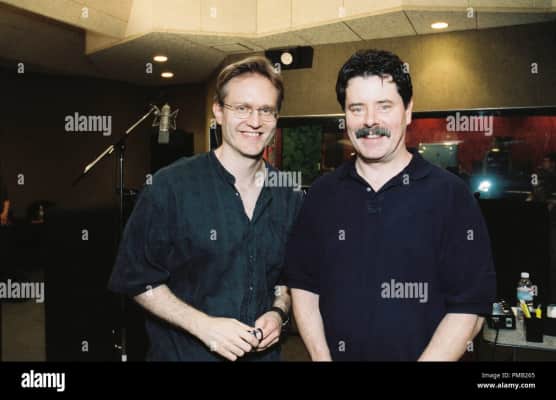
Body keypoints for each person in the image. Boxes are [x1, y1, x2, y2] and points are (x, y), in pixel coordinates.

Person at [284, 49, 496, 361]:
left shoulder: (451, 195)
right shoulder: (321, 194)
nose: (370, 121)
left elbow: (469, 307)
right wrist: (321, 357)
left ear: (408, 111)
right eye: (357, 108)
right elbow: (303, 286)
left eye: (384, 106)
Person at [109, 56, 303, 361]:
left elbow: (287, 278)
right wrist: (204, 326)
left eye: (266, 110)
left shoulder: (290, 194)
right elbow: (136, 278)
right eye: (242, 108)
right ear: (219, 112)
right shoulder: (170, 186)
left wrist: (279, 312)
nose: (255, 121)